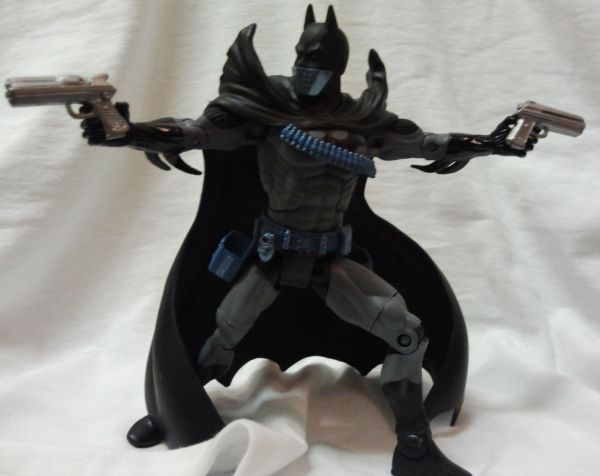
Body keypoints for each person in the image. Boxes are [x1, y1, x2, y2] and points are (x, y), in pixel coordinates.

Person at [82, 6, 537, 476]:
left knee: (407, 335)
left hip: (331, 262)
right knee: (221, 335)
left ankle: (414, 443)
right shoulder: (264, 111)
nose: (304, 68)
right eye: (301, 57)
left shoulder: (363, 120)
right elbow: (192, 132)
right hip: (271, 257)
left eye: (316, 61)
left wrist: (494, 142)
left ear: (336, 67)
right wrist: (126, 132)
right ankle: (173, 409)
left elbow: (429, 144)